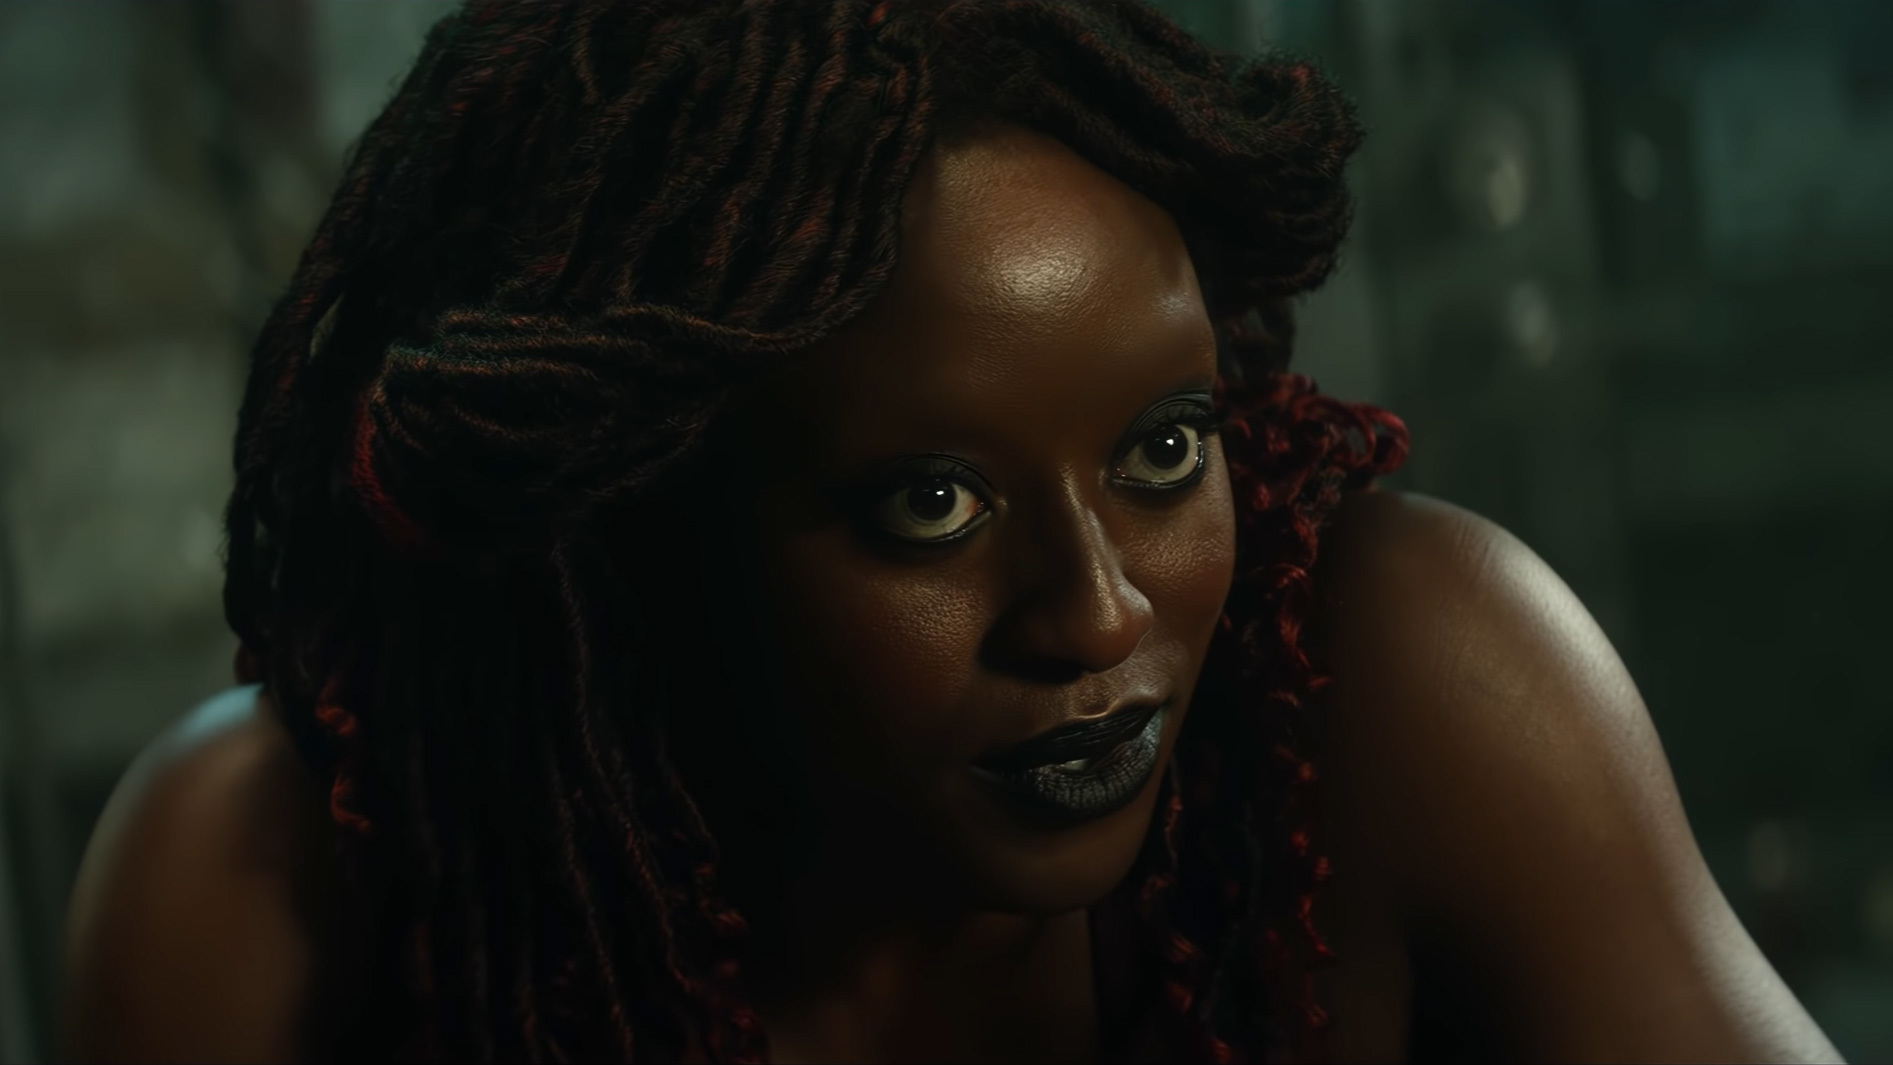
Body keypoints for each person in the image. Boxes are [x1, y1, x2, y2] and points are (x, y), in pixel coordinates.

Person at [59, 1, 1843, 1062]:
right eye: (931, 505)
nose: (1095, 611)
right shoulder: (262, 895)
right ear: (637, 518)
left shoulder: (1411, 687)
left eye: (1160, 449)